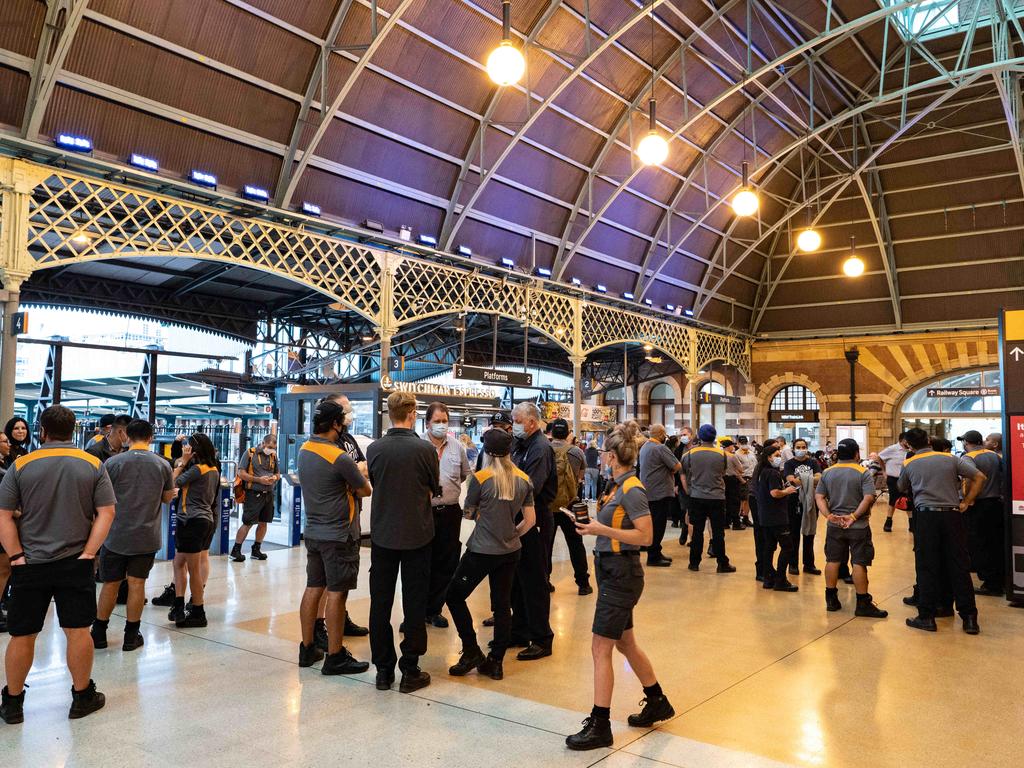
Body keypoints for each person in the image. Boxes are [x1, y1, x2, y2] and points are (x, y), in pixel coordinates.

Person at [0, 405, 115, 724]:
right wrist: (90, 552)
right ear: (73, 429)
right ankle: (81, 697)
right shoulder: (93, 464)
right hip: (76, 563)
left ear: (43, 431)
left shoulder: (21, 465)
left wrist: (16, 557)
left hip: (30, 564)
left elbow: (3, 516)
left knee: (23, 634)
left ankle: (12, 703)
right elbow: (107, 512)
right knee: (78, 631)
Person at [566, 422, 674, 751]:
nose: (600, 460)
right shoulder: (616, 487)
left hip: (621, 574)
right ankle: (657, 700)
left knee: (601, 647)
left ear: (612, 456)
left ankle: (600, 725)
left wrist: (601, 529)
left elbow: (646, 537)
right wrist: (590, 526)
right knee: (625, 643)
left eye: (602, 454)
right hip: (611, 571)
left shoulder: (632, 489)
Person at [446, 428, 535, 681]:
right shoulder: (524, 479)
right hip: (510, 552)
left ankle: (472, 650)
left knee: (454, 596)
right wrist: (511, 534)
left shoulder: (481, 478)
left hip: (481, 551)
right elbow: (530, 520)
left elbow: (468, 514)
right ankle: (496, 661)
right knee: (502, 605)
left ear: (486, 450)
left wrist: (485, 519)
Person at [367, 391, 440, 693]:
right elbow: (432, 489)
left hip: (383, 535)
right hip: (417, 535)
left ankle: (383, 670)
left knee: (380, 603)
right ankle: (410, 669)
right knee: (414, 602)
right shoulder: (425, 450)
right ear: (412, 414)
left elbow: (374, 482)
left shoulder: (375, 449)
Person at [296, 399, 372, 674]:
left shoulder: (305, 450)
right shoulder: (339, 457)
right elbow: (365, 490)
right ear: (336, 424)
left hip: (314, 531)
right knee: (337, 595)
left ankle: (307, 649)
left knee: (313, 587)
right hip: (339, 534)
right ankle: (335, 655)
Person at [90, 419, 175, 652]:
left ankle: (98, 633)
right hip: (146, 535)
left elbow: (100, 498)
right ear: (150, 438)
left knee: (110, 584)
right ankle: (131, 635)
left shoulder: (112, 463)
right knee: (137, 584)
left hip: (115, 534)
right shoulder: (162, 465)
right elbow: (167, 498)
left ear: (127, 436)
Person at [899, 428, 985, 635]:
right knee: (959, 564)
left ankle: (926, 616)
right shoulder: (950, 459)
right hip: (952, 515)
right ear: (928, 440)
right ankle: (969, 618)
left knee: (927, 564)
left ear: (909, 446)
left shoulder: (909, 463)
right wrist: (967, 501)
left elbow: (902, 487)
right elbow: (980, 477)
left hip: (926, 516)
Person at [317, 393, 370, 641]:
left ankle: (340, 619)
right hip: (335, 518)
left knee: (341, 579)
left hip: (353, 513)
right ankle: (321, 627)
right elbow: (347, 472)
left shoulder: (347, 438)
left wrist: (355, 469)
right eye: (344, 409)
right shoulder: (326, 443)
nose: (349, 413)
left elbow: (363, 466)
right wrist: (354, 470)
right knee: (327, 580)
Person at [814, 438, 887, 618]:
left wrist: (829, 516)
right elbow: (868, 497)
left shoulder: (828, 472)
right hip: (858, 526)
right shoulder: (863, 473)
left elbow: (819, 497)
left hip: (835, 525)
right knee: (859, 562)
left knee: (832, 560)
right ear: (856, 454)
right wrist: (853, 517)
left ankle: (831, 600)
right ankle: (862, 603)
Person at [509, 401, 557, 660]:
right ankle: (519, 631)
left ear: (531, 422)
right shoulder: (519, 444)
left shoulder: (540, 448)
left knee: (536, 581)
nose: (513, 424)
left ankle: (542, 638)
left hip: (535, 519)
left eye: (517, 420)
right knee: (518, 579)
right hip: (518, 517)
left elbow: (531, 487)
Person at [423, 402, 471, 628]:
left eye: (445, 421)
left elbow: (463, 475)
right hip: (424, 512)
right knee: (422, 562)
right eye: (437, 421)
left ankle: (434, 610)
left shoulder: (456, 447)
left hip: (450, 512)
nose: (442, 425)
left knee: (447, 562)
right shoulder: (418, 445)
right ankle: (417, 612)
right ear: (427, 423)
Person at [169, 433, 221, 629]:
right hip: (201, 520)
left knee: (192, 568)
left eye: (188, 447)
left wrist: (183, 462)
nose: (185, 449)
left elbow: (172, 482)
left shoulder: (198, 469)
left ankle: (198, 611)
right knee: (179, 562)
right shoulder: (213, 468)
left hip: (192, 521)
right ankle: (179, 603)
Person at [680, 424, 735, 573]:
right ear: (714, 436)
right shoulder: (722, 454)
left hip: (696, 497)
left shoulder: (689, 454)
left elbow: (683, 473)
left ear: (699, 436)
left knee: (697, 531)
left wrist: (689, 491)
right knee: (718, 532)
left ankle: (694, 563)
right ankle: (722, 563)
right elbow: (722, 472)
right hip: (717, 497)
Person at [548, 418, 592, 593]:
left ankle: (545, 581)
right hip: (571, 505)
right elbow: (581, 477)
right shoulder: (577, 452)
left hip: (547, 506)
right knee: (576, 544)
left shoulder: (544, 450)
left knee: (546, 546)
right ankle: (583, 584)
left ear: (551, 433)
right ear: (567, 434)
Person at [958, 430, 1004, 596]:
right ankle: (999, 579)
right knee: (995, 542)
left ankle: (990, 583)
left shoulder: (968, 458)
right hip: (996, 503)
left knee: (979, 543)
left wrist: (967, 501)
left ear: (966, 442)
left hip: (979, 505)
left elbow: (970, 479)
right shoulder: (995, 455)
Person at [754, 441, 800, 592]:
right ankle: (780, 579)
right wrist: (787, 491)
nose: (779, 458)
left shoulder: (761, 472)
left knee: (769, 546)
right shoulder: (772, 473)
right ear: (768, 457)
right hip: (776, 516)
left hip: (765, 516)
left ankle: (768, 578)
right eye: (776, 455)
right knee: (787, 547)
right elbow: (774, 493)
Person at [230, 434, 280, 563]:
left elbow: (277, 473)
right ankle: (236, 550)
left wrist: (274, 478)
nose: (271, 450)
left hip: (268, 494)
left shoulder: (273, 456)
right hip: (253, 493)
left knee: (264, 522)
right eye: (269, 447)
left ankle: (256, 549)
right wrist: (258, 480)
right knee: (248, 522)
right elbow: (241, 473)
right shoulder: (250, 453)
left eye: (273, 448)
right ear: (263, 443)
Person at [638, 424, 680, 567]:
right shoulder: (660, 448)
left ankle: (656, 550)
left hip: (648, 491)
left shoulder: (645, 447)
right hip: (660, 492)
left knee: (653, 523)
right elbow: (677, 466)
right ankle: (653, 555)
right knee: (658, 525)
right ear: (661, 434)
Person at [783, 439, 822, 576]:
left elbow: (819, 477)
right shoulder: (789, 463)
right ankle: (793, 564)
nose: (801, 449)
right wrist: (809, 479)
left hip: (811, 502)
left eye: (803, 447)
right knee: (793, 534)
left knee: (809, 532)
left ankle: (809, 564)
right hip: (794, 502)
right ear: (793, 448)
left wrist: (801, 479)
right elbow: (790, 479)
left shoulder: (813, 462)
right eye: (798, 447)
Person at [879, 433, 911, 532]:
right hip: (893, 478)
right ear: (901, 440)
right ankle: (888, 522)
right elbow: (879, 457)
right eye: (906, 440)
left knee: (908, 499)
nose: (908, 442)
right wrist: (884, 471)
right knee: (893, 499)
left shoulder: (910, 450)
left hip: (906, 479)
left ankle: (912, 523)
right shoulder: (892, 449)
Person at [721, 439, 745, 531]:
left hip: (722, 480)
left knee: (725, 501)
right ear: (729, 446)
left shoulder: (719, 455)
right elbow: (741, 469)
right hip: (732, 480)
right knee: (734, 501)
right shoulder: (732, 456)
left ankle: (725, 523)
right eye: (732, 446)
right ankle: (736, 523)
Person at [673, 426, 692, 533]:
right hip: (681, 483)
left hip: (694, 483)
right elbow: (675, 468)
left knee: (691, 511)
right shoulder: (679, 450)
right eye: (681, 435)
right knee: (684, 508)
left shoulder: (696, 448)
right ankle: (684, 530)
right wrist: (675, 484)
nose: (682, 437)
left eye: (684, 435)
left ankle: (687, 530)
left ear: (691, 435)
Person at [735, 437, 756, 527]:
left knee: (748, 499)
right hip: (743, 478)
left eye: (745, 442)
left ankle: (746, 517)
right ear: (738, 443)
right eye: (742, 442)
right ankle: (738, 518)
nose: (744, 444)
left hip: (752, 478)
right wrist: (741, 480)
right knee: (742, 500)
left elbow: (755, 464)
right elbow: (735, 469)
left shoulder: (751, 453)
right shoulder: (736, 454)